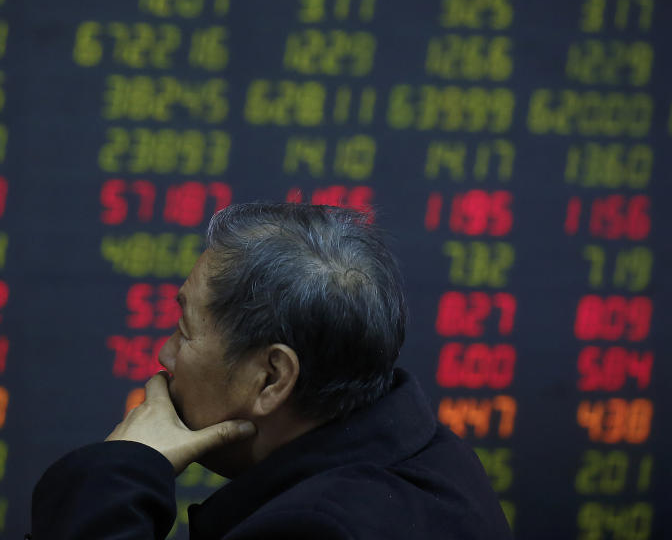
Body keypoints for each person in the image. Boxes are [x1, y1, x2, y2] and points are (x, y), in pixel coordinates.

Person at [28, 203, 512, 539]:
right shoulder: (438, 461)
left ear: (273, 377)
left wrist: (121, 473)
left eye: (185, 331)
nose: (165, 356)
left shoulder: (315, 530)